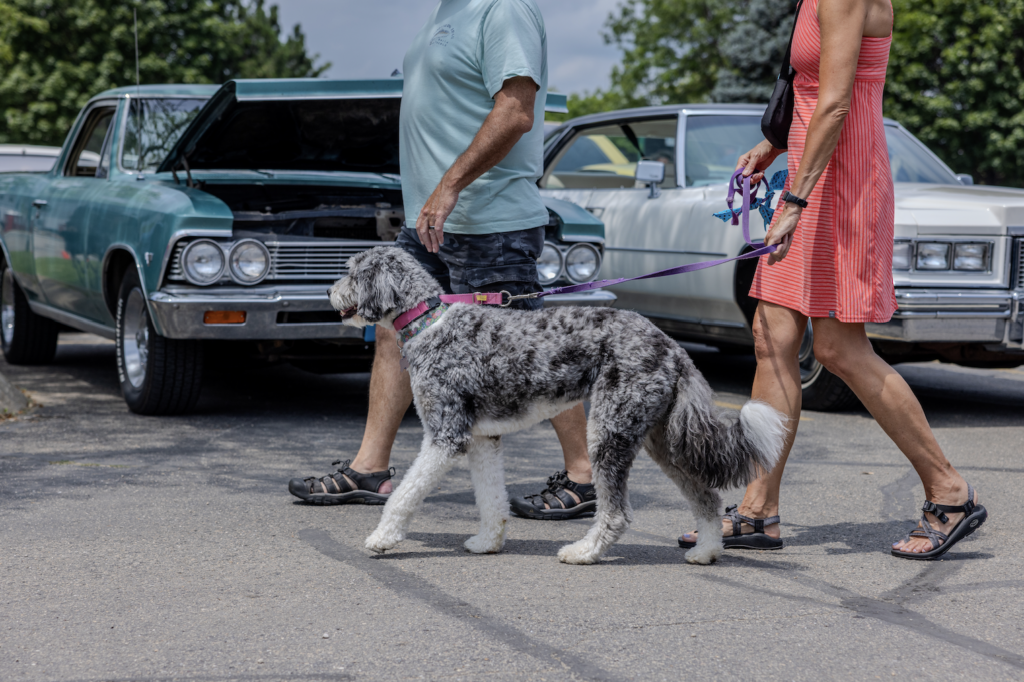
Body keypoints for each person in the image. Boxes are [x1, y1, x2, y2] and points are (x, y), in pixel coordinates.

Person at [679, 0, 987, 559]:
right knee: (772, 337)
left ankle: (950, 492)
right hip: (810, 174)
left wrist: (796, 196)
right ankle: (756, 509)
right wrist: (775, 145)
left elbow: (838, 100)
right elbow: (806, 86)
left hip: (839, 184)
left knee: (841, 348)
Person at [289, 0, 597, 520]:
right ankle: (369, 468)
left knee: (530, 351)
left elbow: (516, 110)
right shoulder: (442, 15)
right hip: (429, 221)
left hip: (487, 220)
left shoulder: (503, 9)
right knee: (396, 328)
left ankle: (585, 475)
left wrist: (449, 185)